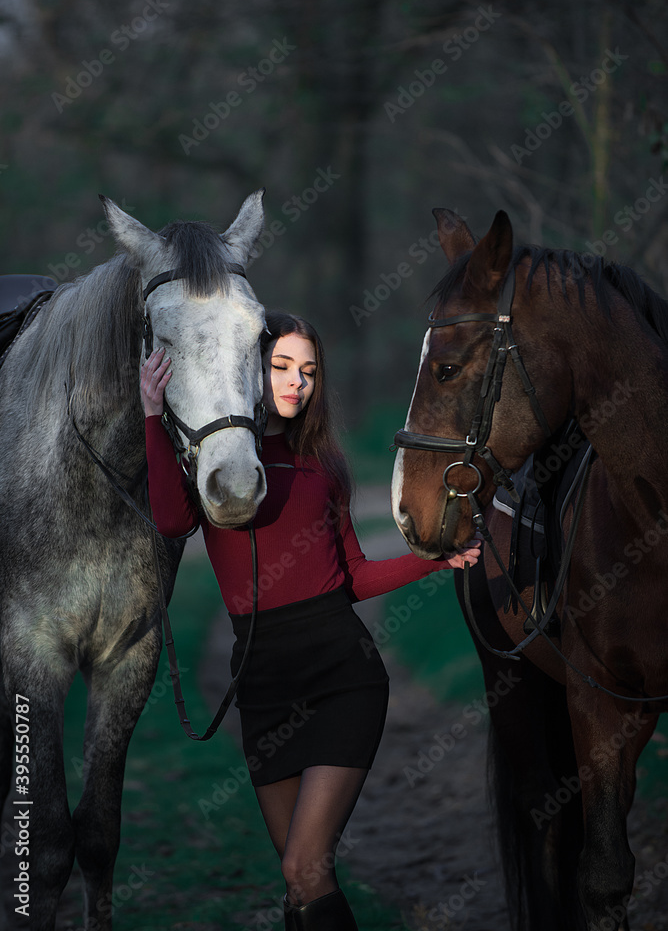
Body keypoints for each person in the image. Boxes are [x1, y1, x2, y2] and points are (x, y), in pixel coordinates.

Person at [141, 309, 481, 931]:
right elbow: (169, 520)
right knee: (296, 882)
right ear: (250, 368)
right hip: (265, 690)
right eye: (281, 367)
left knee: (306, 867)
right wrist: (151, 416)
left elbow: (353, 577)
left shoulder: (324, 464)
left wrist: (433, 560)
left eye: (309, 371)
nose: (297, 382)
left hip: (341, 677)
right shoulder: (215, 461)